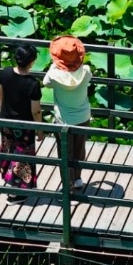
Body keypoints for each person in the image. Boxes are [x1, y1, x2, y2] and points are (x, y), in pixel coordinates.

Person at [0, 45, 44, 204]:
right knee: (21, 158)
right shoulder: (33, 84)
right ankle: (16, 193)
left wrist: (3, 111)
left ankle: (9, 181)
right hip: (24, 126)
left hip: (7, 120)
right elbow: (36, 111)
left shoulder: (5, 72)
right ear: (31, 62)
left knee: (9, 151)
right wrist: (40, 130)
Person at [43, 35, 92, 192]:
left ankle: (68, 187)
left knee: (65, 153)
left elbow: (45, 82)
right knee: (80, 148)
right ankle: (77, 179)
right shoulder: (86, 72)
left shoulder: (53, 76)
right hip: (83, 116)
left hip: (63, 120)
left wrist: (55, 65)